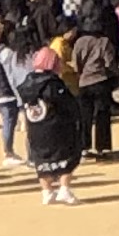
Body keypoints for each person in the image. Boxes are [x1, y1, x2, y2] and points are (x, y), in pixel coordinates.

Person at [19, 49, 85, 206]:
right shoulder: (53, 84)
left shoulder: (27, 83)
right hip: (57, 127)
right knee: (67, 155)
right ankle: (64, 189)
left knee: (41, 159)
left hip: (35, 128)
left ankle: (47, 191)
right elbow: (68, 105)